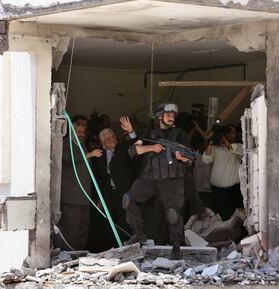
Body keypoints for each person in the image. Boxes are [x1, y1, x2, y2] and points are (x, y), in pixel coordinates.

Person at [124, 103, 192, 260]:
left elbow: (190, 157)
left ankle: (176, 246)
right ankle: (139, 234)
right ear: (160, 116)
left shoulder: (180, 134)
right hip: (150, 178)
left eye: (173, 115)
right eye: (168, 114)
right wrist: (152, 148)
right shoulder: (149, 133)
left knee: (173, 214)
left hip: (172, 179)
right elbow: (134, 150)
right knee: (129, 199)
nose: (171, 117)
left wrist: (183, 158)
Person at [91, 117, 138, 249]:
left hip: (124, 193)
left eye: (113, 136)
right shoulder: (98, 155)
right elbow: (97, 179)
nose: (112, 139)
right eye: (108, 139)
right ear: (102, 143)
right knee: (107, 224)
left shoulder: (123, 149)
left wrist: (131, 132)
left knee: (125, 222)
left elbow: (135, 144)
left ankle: (126, 249)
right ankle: (108, 251)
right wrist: (98, 198)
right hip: (107, 194)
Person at [59, 122, 103, 251]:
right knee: (71, 230)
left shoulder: (81, 144)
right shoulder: (65, 143)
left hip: (84, 196)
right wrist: (90, 154)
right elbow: (69, 158)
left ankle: (80, 255)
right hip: (71, 197)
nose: (81, 134)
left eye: (83, 132)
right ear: (71, 131)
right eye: (78, 131)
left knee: (82, 231)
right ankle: (70, 256)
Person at [202, 124, 244, 221]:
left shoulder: (239, 146)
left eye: (233, 132)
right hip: (217, 191)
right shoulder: (215, 147)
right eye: (230, 133)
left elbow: (239, 153)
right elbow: (206, 160)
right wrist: (210, 143)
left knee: (233, 217)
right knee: (218, 216)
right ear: (225, 134)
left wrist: (225, 142)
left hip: (233, 191)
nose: (233, 135)